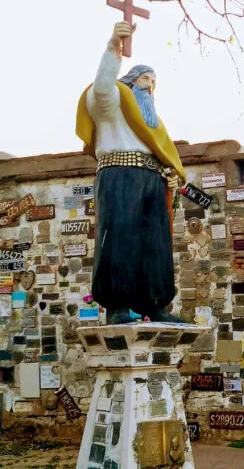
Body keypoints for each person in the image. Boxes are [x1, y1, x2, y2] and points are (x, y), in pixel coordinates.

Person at [75, 21, 186, 324]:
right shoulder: (112, 102)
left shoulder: (152, 121)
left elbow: (162, 152)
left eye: (153, 81)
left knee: (156, 243)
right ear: (130, 80)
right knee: (119, 236)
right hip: (119, 173)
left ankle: (156, 304)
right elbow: (101, 86)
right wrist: (114, 47)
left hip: (152, 178)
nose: (149, 85)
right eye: (144, 79)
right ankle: (117, 307)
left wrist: (169, 173)